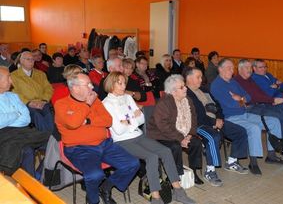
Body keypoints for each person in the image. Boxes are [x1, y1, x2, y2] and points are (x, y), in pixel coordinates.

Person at [103, 72, 196, 204]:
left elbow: (141, 119)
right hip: (122, 141)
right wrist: (132, 118)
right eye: (120, 83)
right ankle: (156, 198)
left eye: (124, 82)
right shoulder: (106, 104)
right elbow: (118, 130)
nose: (124, 86)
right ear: (111, 84)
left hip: (138, 135)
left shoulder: (128, 98)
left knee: (166, 151)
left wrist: (127, 121)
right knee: (151, 157)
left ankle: (178, 191)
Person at [54, 72, 140, 204]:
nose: (92, 87)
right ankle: (93, 200)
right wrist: (87, 105)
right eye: (88, 84)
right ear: (75, 88)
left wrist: (88, 121)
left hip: (104, 144)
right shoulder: (61, 104)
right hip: (79, 148)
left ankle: (106, 187)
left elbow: (108, 120)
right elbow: (73, 123)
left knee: (132, 164)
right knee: (95, 175)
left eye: (91, 83)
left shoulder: (96, 101)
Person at [211, 58, 283, 175]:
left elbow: (248, 97)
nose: (232, 71)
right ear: (220, 69)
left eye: (233, 68)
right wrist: (241, 100)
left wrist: (240, 98)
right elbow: (231, 104)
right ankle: (253, 162)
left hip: (244, 114)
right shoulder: (217, 85)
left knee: (274, 121)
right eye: (229, 68)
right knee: (254, 128)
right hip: (231, 118)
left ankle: (271, 155)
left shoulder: (233, 82)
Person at [184, 67, 248, 186]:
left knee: (240, 131)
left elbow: (217, 105)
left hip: (215, 121)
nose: (201, 79)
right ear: (188, 78)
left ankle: (232, 161)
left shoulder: (204, 89)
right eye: (198, 77)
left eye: (201, 77)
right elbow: (197, 116)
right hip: (198, 125)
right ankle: (210, 171)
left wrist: (220, 119)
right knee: (214, 137)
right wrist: (214, 123)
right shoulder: (186, 94)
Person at [234, 59, 283, 155]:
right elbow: (255, 96)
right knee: (280, 115)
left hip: (262, 104)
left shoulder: (251, 79)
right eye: (247, 68)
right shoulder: (238, 80)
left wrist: (276, 90)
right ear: (240, 69)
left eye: (250, 68)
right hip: (250, 108)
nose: (250, 70)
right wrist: (273, 99)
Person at [147, 75, 203, 185]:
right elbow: (163, 126)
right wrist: (181, 138)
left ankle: (194, 172)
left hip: (181, 133)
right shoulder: (164, 103)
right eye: (182, 87)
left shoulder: (188, 100)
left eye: (184, 86)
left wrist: (190, 135)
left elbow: (194, 119)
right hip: (160, 135)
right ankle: (174, 176)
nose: (186, 88)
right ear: (173, 91)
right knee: (175, 146)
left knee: (196, 143)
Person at [0, 66, 49, 177]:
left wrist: (9, 118)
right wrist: (16, 114)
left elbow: (26, 118)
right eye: (8, 78)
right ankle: (31, 184)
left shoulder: (13, 96)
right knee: (27, 150)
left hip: (24, 132)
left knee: (54, 143)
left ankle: (37, 176)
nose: (12, 81)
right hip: (4, 135)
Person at [11, 51, 55, 132]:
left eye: (33, 59)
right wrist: (29, 103)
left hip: (42, 102)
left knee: (49, 114)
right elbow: (14, 93)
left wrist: (44, 100)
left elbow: (48, 88)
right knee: (36, 115)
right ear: (21, 61)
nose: (31, 61)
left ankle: (51, 137)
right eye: (28, 59)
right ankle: (47, 137)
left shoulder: (41, 74)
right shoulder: (13, 76)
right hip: (26, 104)